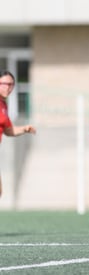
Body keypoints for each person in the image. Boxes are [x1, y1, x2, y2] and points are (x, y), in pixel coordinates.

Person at [0, 70, 36, 198]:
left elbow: (8, 130)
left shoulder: (3, 105)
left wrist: (24, 129)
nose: (9, 88)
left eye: (12, 85)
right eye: (6, 84)